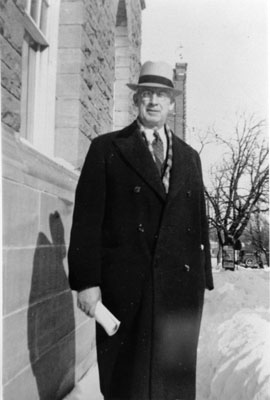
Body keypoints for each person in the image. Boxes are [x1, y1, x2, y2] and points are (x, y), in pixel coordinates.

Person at [68, 61, 214, 400]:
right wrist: (86, 282)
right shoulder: (107, 149)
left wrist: (202, 277)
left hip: (179, 291)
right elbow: (87, 221)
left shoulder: (191, 157)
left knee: (173, 381)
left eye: (161, 95)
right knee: (127, 381)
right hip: (126, 288)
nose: (153, 101)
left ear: (172, 103)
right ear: (136, 101)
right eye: (146, 94)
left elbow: (198, 220)